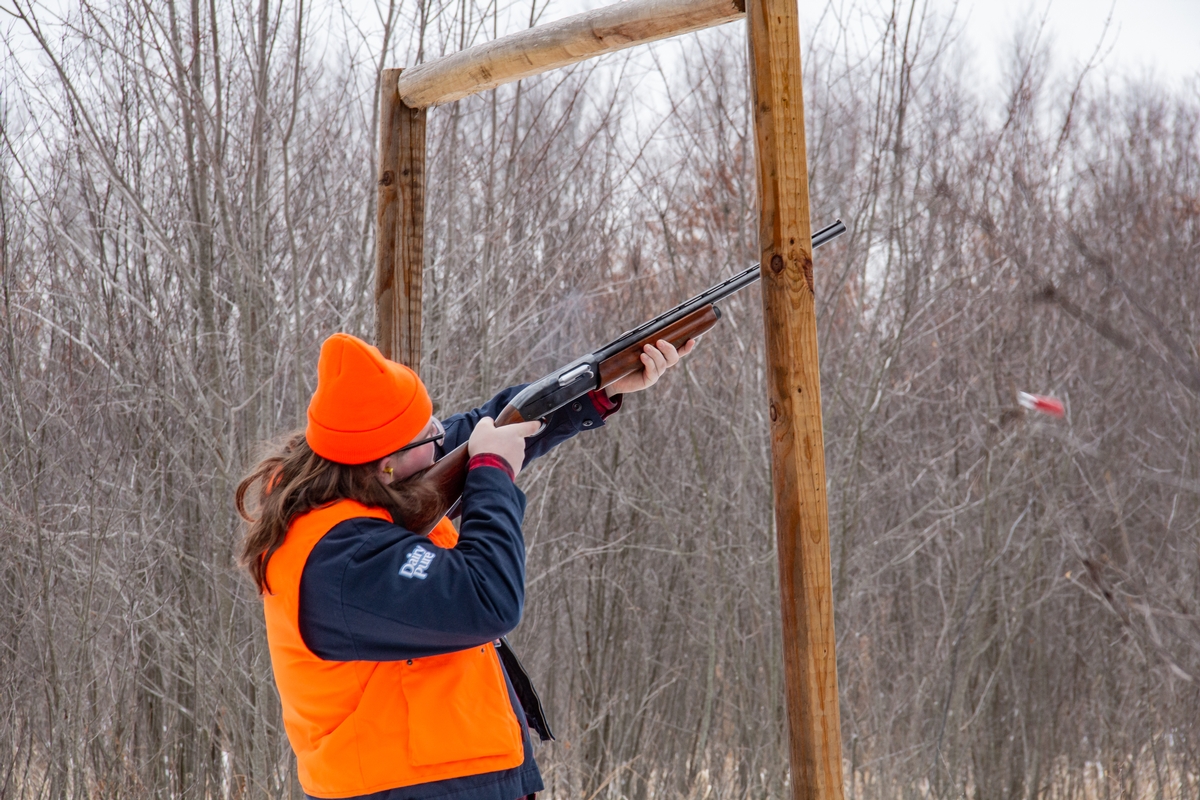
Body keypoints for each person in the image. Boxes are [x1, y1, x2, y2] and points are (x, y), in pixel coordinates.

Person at [236, 331, 693, 800]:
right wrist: (493, 475)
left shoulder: (363, 481)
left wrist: (601, 386)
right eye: (428, 434)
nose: (441, 439)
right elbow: (488, 599)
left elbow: (491, 426)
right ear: (384, 464)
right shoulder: (342, 561)